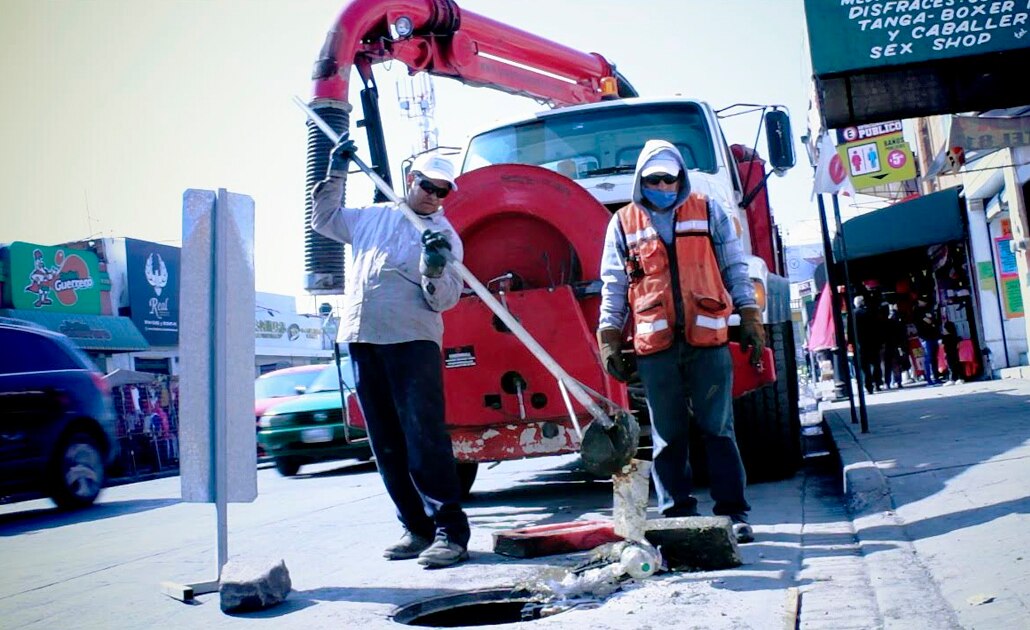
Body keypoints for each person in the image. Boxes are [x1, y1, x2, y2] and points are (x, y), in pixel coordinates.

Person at [310, 139, 470, 568]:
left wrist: (434, 269)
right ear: (410, 180)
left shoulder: (444, 238)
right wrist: (336, 173)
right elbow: (323, 219)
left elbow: (444, 301)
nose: (433, 195)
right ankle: (415, 528)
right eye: (427, 185)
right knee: (385, 442)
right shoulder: (371, 218)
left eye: (442, 191)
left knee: (424, 439)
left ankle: (450, 533)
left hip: (412, 342)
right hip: (363, 338)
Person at [596, 140, 765, 544]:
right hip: (655, 346)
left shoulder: (708, 210)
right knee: (667, 435)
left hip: (707, 339)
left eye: (670, 179)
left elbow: (734, 265)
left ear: (681, 179)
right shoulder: (623, 223)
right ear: (641, 181)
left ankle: (734, 513)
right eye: (654, 179)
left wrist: (751, 314)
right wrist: (609, 335)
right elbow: (614, 284)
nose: (663, 186)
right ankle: (677, 515)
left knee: (718, 429)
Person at [852, 295, 882, 394]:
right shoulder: (870, 312)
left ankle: (868, 386)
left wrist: (852, 343)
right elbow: (877, 327)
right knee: (875, 364)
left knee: (865, 367)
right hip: (872, 342)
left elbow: (850, 331)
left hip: (860, 344)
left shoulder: (852, 314)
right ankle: (877, 383)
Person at [913, 296, 942, 385]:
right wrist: (931, 321)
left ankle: (936, 376)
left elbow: (935, 321)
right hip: (925, 337)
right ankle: (930, 378)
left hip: (933, 336)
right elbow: (929, 321)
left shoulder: (930, 308)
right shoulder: (917, 311)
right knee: (928, 358)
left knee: (934, 358)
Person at [881, 304, 909, 389]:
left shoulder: (882, 322)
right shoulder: (894, 322)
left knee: (886, 366)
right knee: (895, 364)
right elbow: (900, 333)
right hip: (894, 344)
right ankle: (898, 381)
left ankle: (887, 382)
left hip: (885, 345)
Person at [941, 321, 964, 386]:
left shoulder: (944, 338)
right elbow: (958, 345)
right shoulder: (955, 336)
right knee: (957, 365)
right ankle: (960, 378)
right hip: (955, 353)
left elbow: (942, 346)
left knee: (951, 367)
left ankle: (952, 379)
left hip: (948, 353)